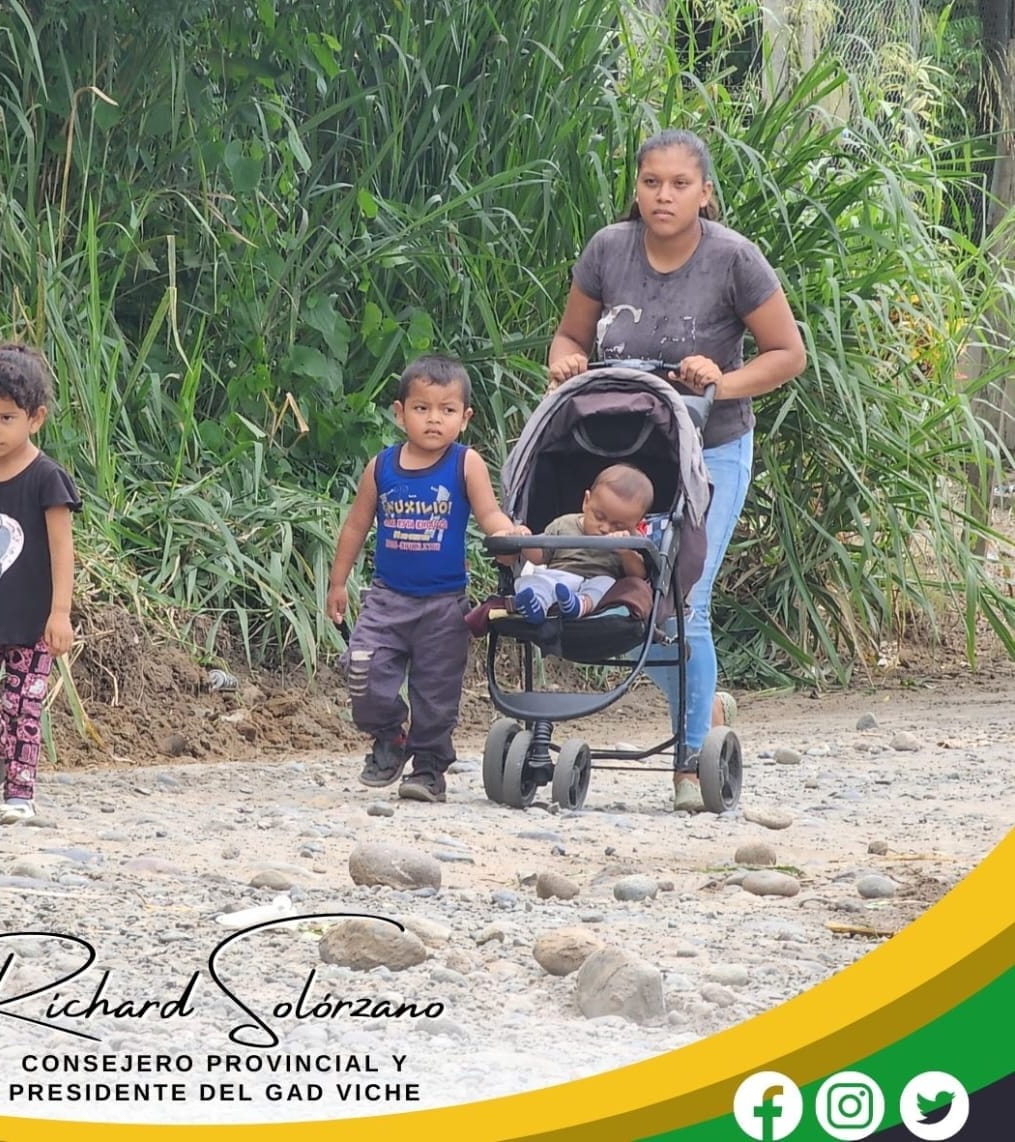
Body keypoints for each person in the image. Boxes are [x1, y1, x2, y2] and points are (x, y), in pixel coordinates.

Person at [546, 128, 806, 811]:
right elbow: (570, 333)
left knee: (684, 598)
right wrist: (565, 359)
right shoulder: (608, 248)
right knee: (637, 600)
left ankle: (690, 765)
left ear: (704, 194)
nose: (664, 195)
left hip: (709, 451)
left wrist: (720, 380)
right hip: (623, 457)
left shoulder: (733, 259)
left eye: (679, 184)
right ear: (636, 189)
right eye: (651, 182)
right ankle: (704, 705)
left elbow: (787, 354)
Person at [326, 355, 530, 803]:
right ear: (400, 413)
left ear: (465, 417)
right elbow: (356, 525)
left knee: (437, 695)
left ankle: (429, 769)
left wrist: (511, 534)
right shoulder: (381, 467)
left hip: (443, 605)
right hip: (386, 600)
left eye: (447, 410)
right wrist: (338, 583)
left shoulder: (465, 463)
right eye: (422, 408)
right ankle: (389, 736)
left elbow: (489, 514)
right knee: (362, 671)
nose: (434, 419)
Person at [0, 345, 80, 824]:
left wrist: (60, 614)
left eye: (6, 418)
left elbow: (62, 549)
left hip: (31, 620)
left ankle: (20, 794)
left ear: (35, 419)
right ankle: (8, 754)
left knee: (24, 705)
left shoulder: (47, 478)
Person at [512, 464, 654, 623]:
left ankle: (579, 605)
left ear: (636, 524)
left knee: (606, 584)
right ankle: (537, 606)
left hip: (598, 581)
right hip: (560, 578)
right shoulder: (564, 524)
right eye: (599, 517)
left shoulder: (631, 539)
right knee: (533, 581)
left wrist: (626, 553)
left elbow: (639, 577)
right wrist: (525, 541)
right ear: (586, 501)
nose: (605, 528)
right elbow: (539, 557)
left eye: (618, 525)